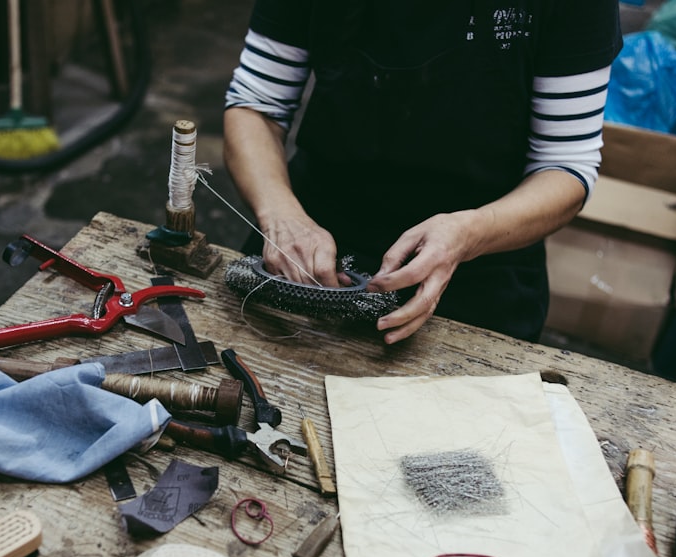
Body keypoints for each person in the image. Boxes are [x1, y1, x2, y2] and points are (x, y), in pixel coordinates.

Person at [222, 1, 623, 344]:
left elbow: (566, 165)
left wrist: (468, 235)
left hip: (480, 268)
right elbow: (256, 105)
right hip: (307, 256)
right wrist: (281, 216)